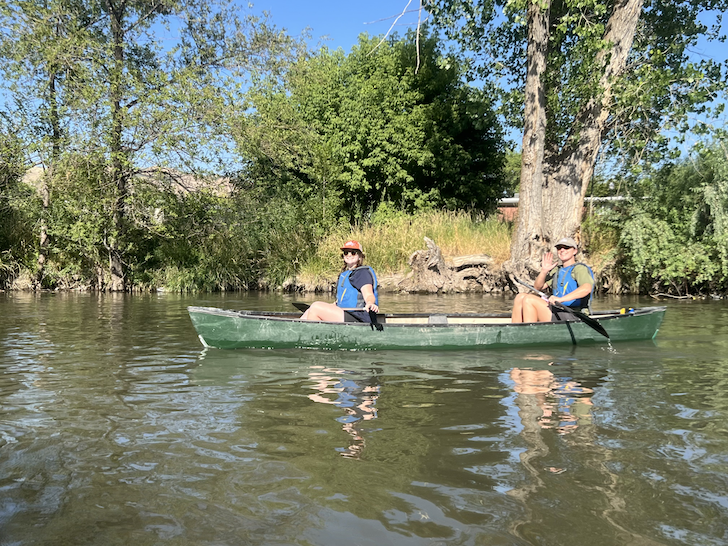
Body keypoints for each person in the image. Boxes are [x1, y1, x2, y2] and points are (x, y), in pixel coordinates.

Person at [511, 237, 594, 323]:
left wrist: (561, 299)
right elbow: (538, 287)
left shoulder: (579, 269)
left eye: (566, 247)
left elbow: (586, 289)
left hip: (574, 314)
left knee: (529, 299)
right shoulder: (556, 270)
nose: (562, 250)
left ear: (575, 251)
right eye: (559, 248)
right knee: (520, 297)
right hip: (557, 310)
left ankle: (530, 333)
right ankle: (515, 331)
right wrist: (544, 271)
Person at [300, 240, 379, 323]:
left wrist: (370, 303)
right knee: (310, 310)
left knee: (316, 307)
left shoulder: (362, 273)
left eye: (353, 252)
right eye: (346, 253)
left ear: (360, 256)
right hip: (346, 313)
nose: (349, 255)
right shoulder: (346, 274)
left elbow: (369, 295)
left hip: (359, 317)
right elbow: (341, 301)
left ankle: (313, 335)